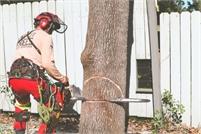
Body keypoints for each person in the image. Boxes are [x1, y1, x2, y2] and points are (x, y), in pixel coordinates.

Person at [8, 12, 69, 134]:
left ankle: (19, 131)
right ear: (45, 23)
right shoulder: (45, 37)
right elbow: (47, 64)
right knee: (54, 105)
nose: (52, 31)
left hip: (14, 76)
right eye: (53, 27)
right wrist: (63, 79)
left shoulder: (23, 36)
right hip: (32, 77)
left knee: (22, 105)